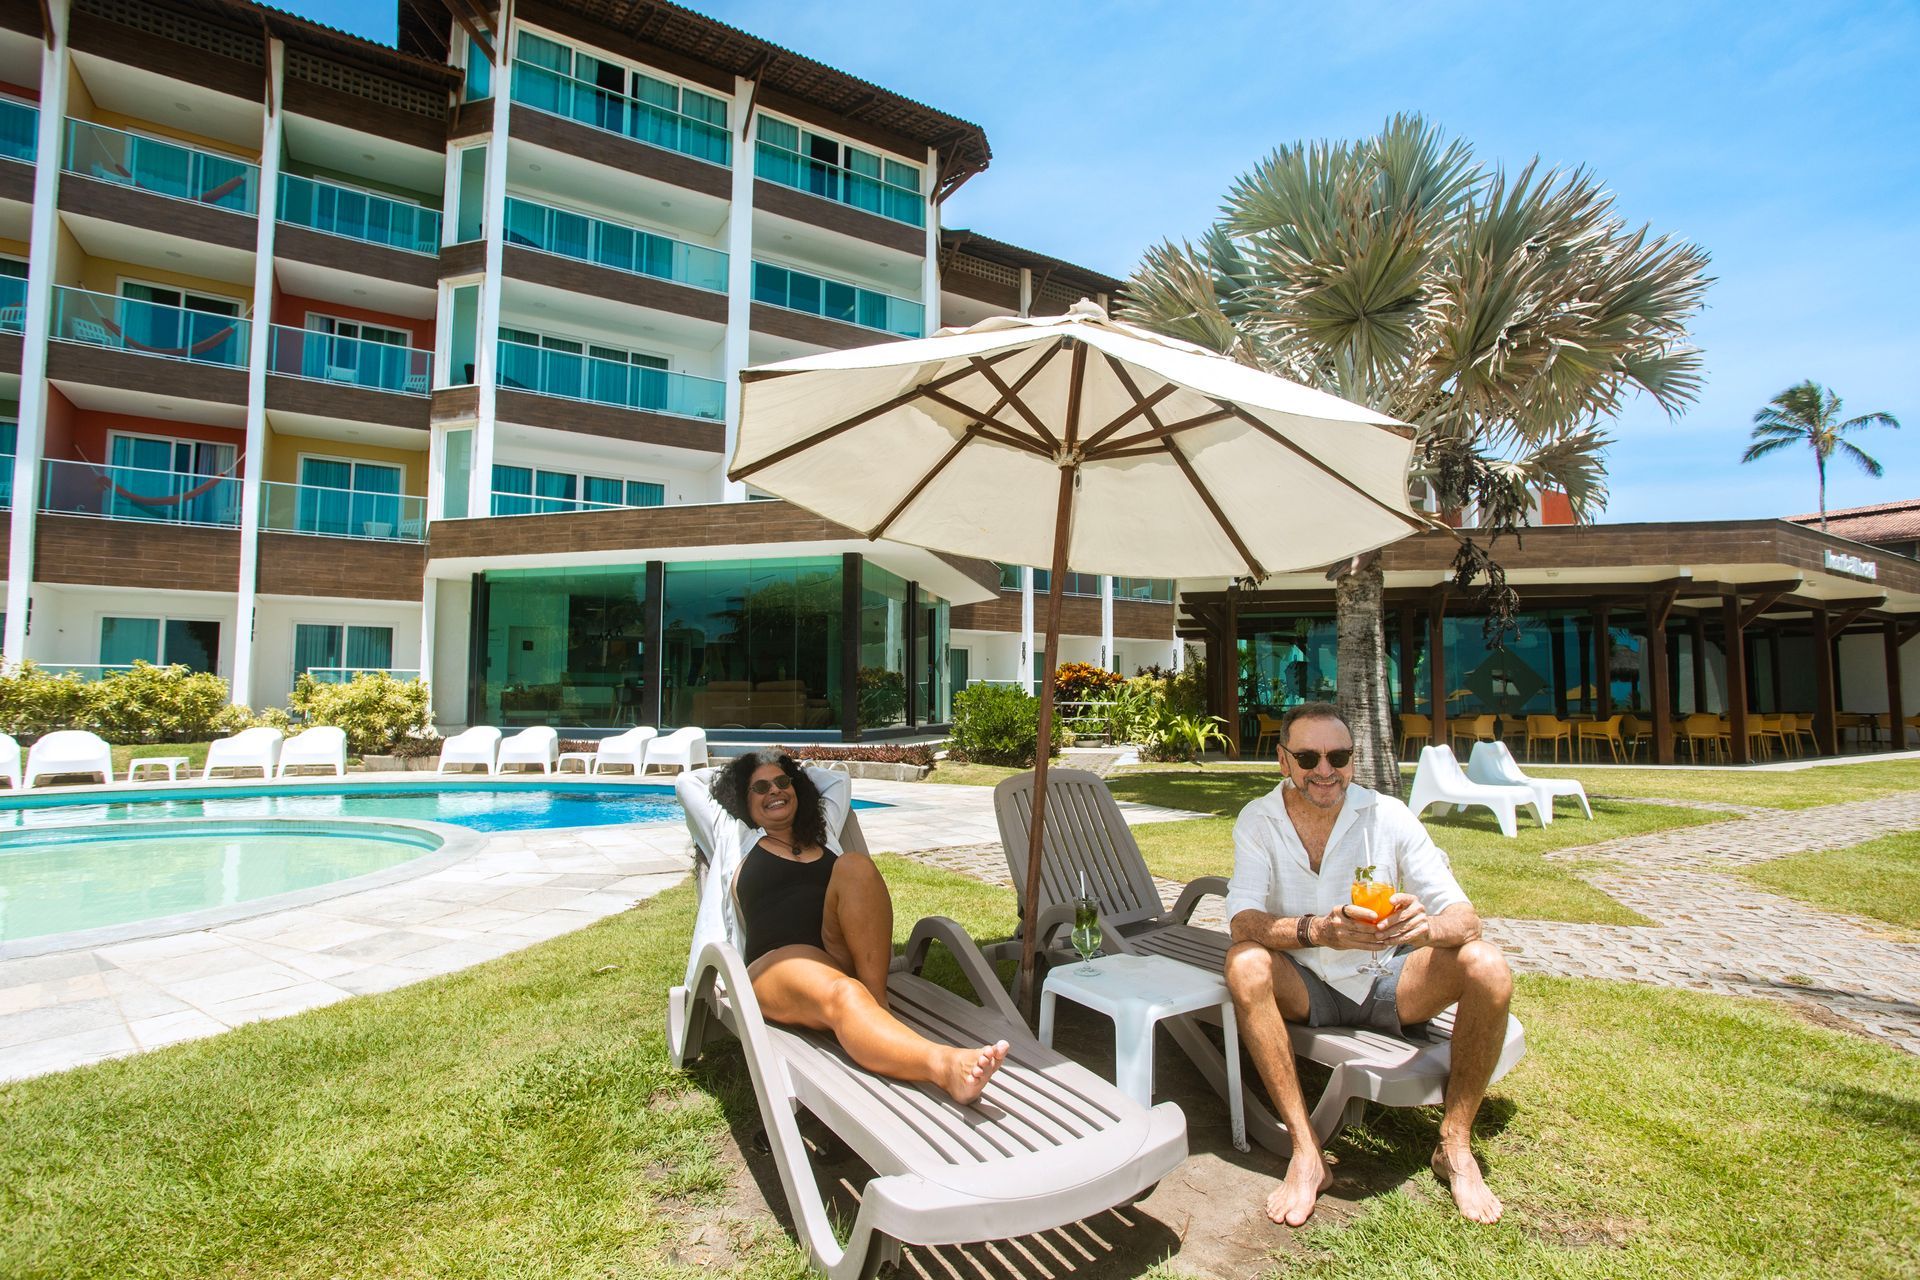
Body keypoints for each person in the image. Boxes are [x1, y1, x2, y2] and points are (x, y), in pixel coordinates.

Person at [1222, 702, 1514, 1227]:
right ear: (1283, 760)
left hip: (1387, 979)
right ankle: (1306, 1152)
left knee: (1487, 966)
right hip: (1306, 982)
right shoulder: (1258, 820)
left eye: (1339, 755)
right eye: (1308, 756)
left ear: (1354, 760)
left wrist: (1422, 929)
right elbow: (1243, 921)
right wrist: (1319, 931)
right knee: (1244, 963)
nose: (1325, 770)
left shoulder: (1387, 814)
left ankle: (1454, 1143)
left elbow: (1465, 918)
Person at [685, 749, 1008, 1104]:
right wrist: (741, 774)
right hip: (777, 964)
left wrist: (797, 771)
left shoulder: (823, 835)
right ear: (741, 802)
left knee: (856, 866)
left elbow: (838, 780)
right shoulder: (736, 835)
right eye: (759, 788)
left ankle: (877, 1008)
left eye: (781, 782)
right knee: (845, 994)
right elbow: (688, 783)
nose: (774, 791)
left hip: (835, 953)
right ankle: (944, 1065)